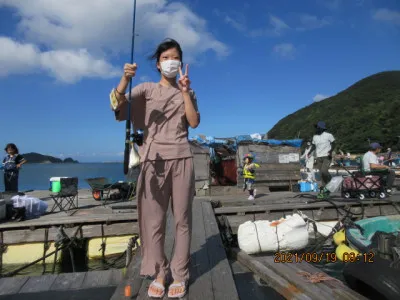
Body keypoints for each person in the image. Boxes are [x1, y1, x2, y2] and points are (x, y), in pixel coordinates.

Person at [109, 38, 200, 298]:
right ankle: (160, 272)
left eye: (175, 58)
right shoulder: (146, 89)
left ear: (181, 63)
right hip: (152, 161)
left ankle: (180, 273)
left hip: (182, 158)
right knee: (154, 222)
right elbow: (117, 106)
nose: (171, 61)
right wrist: (125, 79)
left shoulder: (188, 92)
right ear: (158, 64)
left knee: (183, 220)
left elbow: (193, 123)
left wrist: (184, 91)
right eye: (165, 58)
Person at [308, 121, 336, 198]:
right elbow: (313, 146)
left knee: (324, 171)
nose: (316, 129)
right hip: (318, 157)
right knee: (321, 175)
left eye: (317, 127)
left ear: (321, 128)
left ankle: (331, 180)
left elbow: (334, 143)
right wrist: (309, 152)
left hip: (327, 156)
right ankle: (325, 192)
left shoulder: (328, 135)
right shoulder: (315, 137)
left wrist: (330, 151)